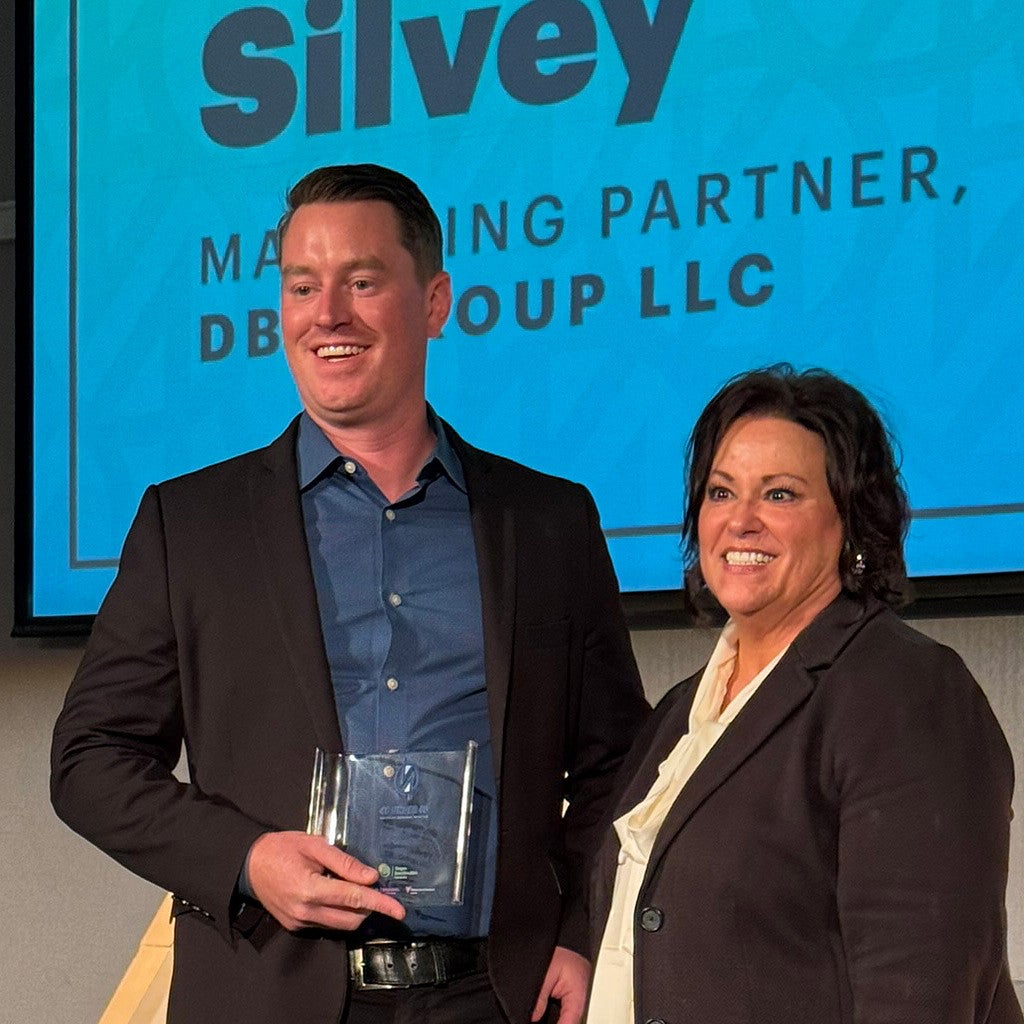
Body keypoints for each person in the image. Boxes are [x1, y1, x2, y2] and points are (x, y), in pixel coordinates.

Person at [51, 163, 649, 1024]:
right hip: (266, 992)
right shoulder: (191, 525)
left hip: (492, 998)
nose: (327, 313)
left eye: (362, 282)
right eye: (303, 286)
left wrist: (580, 929)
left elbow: (614, 766)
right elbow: (89, 759)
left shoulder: (547, 521)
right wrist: (247, 858)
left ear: (435, 301)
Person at [586, 365, 1022, 1024]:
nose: (741, 523)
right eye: (721, 492)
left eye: (781, 495)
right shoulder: (681, 710)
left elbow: (918, 988)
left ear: (850, 519)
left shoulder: (905, 692)